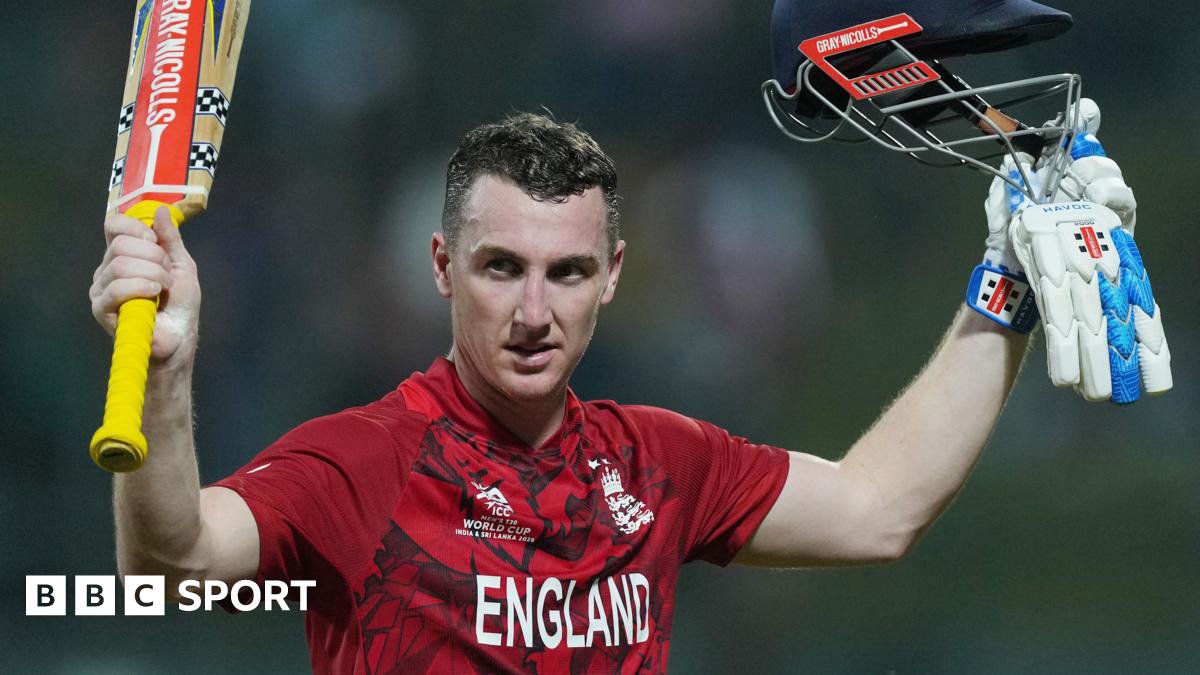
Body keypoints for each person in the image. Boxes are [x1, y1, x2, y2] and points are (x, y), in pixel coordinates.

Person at [88, 111, 1123, 672]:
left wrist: (1007, 284)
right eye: (502, 269)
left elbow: (877, 508)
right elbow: (169, 562)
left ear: (616, 276)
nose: (534, 312)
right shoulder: (360, 459)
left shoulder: (657, 459)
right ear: (443, 267)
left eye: (568, 273)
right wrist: (167, 378)